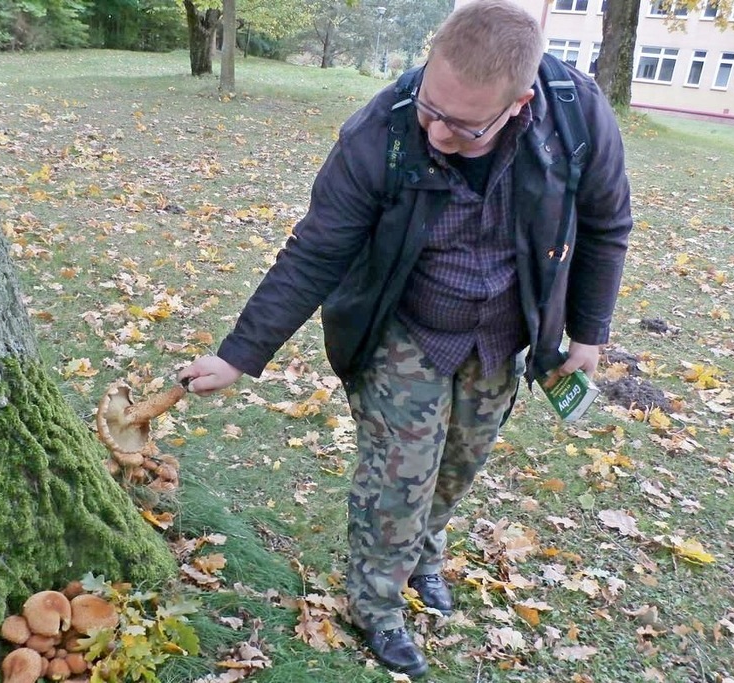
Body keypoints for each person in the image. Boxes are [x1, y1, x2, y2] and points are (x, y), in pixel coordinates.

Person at [178, 0, 632, 676]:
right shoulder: (380, 133)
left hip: (505, 332)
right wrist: (240, 354)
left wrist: (588, 333)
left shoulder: (576, 117)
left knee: (457, 467)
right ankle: (376, 604)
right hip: (406, 327)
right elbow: (315, 253)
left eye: (461, 125)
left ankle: (425, 552)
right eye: (430, 105)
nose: (436, 130)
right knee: (398, 479)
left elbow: (606, 223)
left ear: (519, 102)